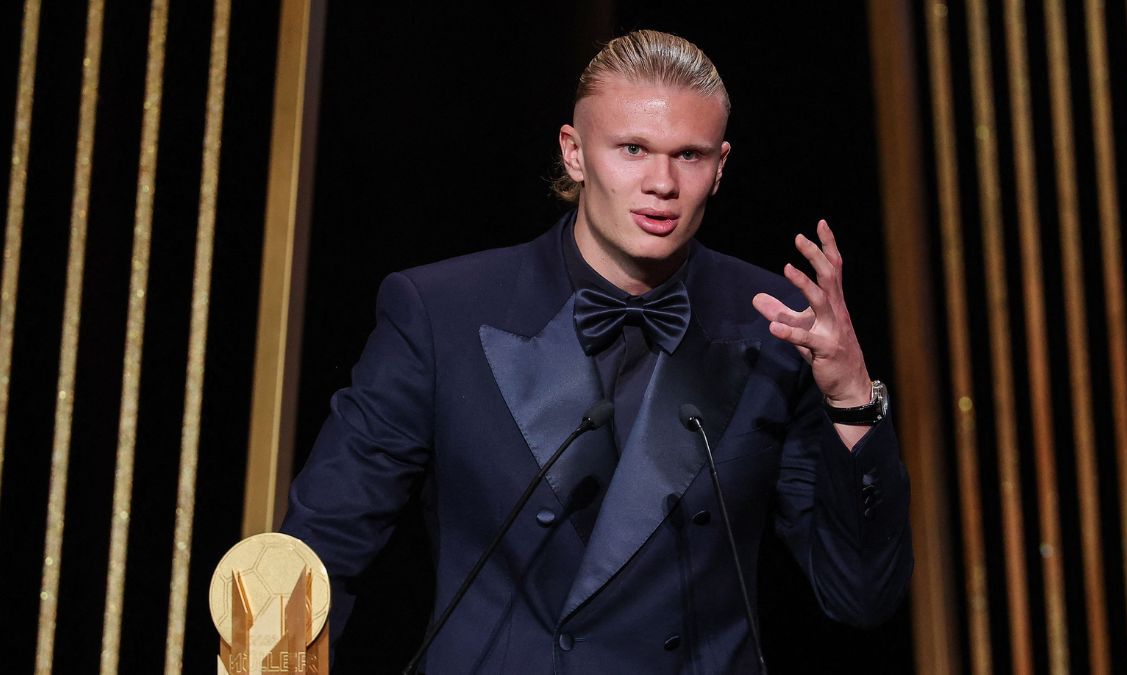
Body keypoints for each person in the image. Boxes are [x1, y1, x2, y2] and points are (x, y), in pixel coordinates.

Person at [282, 29, 912, 673]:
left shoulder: (775, 324)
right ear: (575, 153)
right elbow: (325, 540)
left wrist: (852, 397)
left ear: (720, 166)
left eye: (688, 155)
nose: (662, 183)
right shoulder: (442, 312)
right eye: (633, 149)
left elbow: (859, 596)